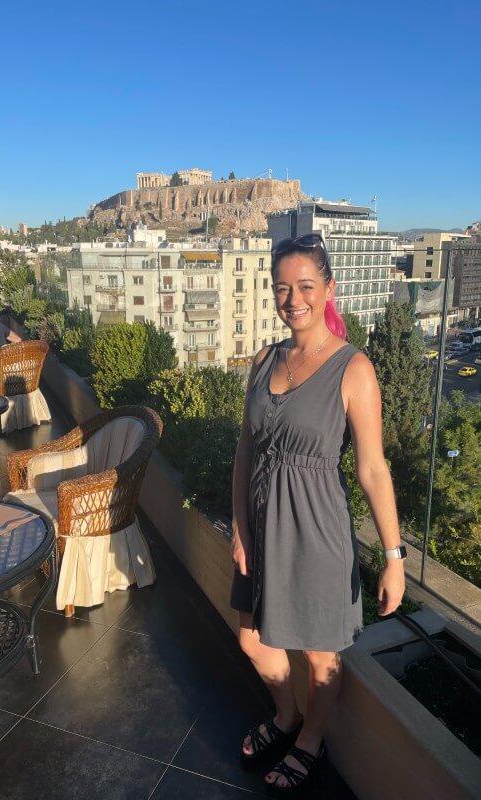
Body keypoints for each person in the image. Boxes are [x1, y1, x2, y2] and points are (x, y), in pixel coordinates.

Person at [230, 234, 405, 795]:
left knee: (318, 654)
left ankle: (310, 739)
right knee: (253, 641)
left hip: (316, 533)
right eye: (282, 288)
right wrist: (239, 528)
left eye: (305, 286)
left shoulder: (353, 369)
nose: (293, 299)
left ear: (329, 288)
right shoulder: (264, 360)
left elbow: (373, 470)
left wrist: (394, 557)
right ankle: (287, 716)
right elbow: (245, 451)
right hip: (260, 529)